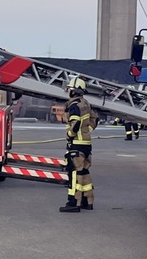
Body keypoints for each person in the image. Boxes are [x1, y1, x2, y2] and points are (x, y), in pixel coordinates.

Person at [60, 76, 94, 212]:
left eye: (70, 89)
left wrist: (70, 135)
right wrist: (86, 131)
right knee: (84, 172)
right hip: (86, 144)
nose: (68, 91)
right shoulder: (86, 104)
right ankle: (87, 201)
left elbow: (76, 123)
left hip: (76, 145)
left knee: (73, 174)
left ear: (74, 91)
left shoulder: (74, 106)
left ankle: (73, 203)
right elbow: (95, 119)